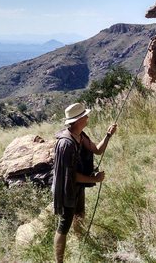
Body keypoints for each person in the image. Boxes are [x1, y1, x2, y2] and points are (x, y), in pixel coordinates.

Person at [52, 102, 117, 263]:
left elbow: (97, 150)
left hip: (77, 187)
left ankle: (80, 241)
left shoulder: (80, 135)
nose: (88, 118)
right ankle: (59, 261)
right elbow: (71, 175)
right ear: (78, 120)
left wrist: (108, 135)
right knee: (64, 224)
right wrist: (94, 179)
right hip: (67, 189)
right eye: (85, 116)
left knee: (79, 214)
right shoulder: (66, 144)